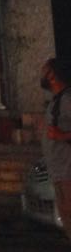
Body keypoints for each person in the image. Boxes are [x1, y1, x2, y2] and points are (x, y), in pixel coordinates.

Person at [39, 57, 71, 241]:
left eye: (44, 71)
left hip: (67, 168)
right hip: (59, 169)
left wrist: (61, 136)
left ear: (52, 74)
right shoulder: (56, 101)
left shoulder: (66, 100)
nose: (41, 75)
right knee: (66, 213)